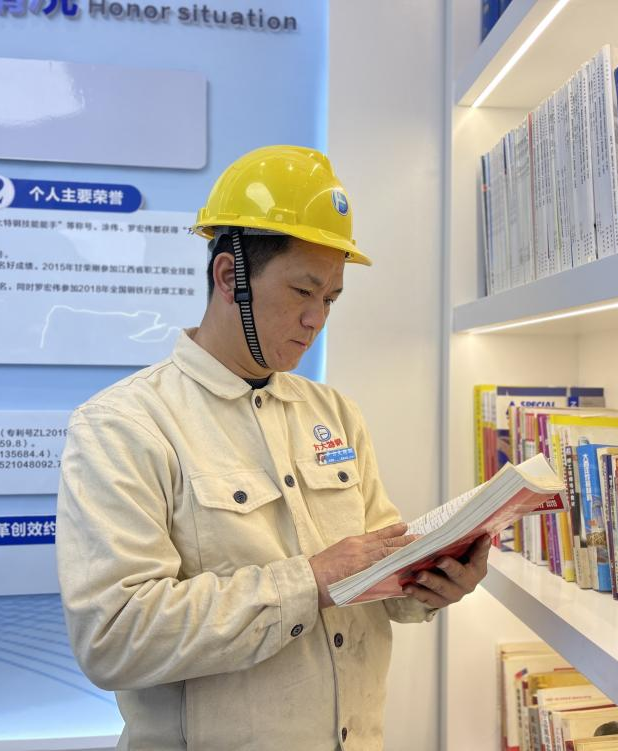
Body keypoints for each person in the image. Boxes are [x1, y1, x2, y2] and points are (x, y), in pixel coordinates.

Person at [55, 145, 491, 750]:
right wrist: (310, 580)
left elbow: (379, 570)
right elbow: (114, 638)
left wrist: (429, 584)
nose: (317, 319)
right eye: (302, 291)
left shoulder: (335, 414)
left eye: (330, 299)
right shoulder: (124, 425)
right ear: (228, 277)